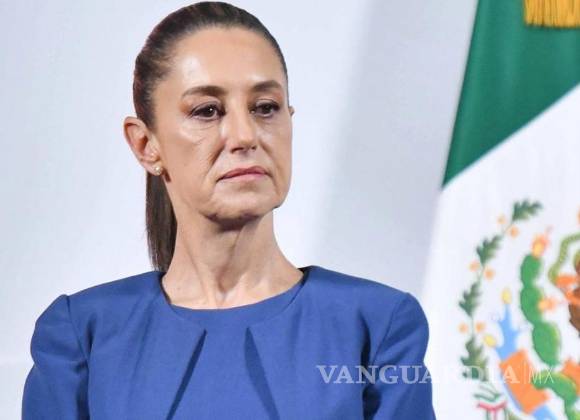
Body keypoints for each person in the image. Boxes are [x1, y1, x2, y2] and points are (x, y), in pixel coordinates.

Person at [21, 2, 435, 419]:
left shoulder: (377, 325)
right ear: (146, 145)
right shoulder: (82, 337)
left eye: (265, 107)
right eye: (207, 111)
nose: (244, 135)